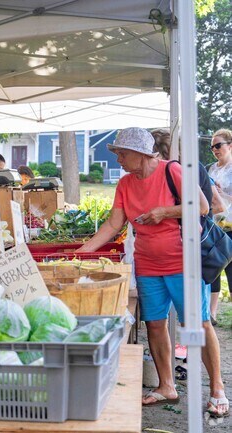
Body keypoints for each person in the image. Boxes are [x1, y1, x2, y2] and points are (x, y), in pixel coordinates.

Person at [76, 127, 228, 416]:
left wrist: (163, 212)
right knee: (155, 325)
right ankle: (166, 385)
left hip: (184, 263)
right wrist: (83, 252)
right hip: (148, 265)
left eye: (122, 153)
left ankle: (217, 388)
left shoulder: (173, 171)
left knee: (199, 324)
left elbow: (204, 207)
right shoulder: (124, 184)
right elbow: (112, 225)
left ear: (141, 153)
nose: (118, 159)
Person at [151, 129, 226, 323]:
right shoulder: (193, 167)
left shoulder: (184, 169)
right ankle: (190, 348)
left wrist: (163, 212)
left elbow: (204, 207)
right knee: (193, 317)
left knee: (198, 319)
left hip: (194, 244)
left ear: (162, 151)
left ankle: (195, 350)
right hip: (186, 245)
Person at [208, 129, 232, 322]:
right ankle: (212, 313)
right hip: (215, 227)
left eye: (218, 145)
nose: (214, 150)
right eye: (212, 147)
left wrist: (220, 194)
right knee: (213, 269)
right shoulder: (211, 169)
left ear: (230, 145)